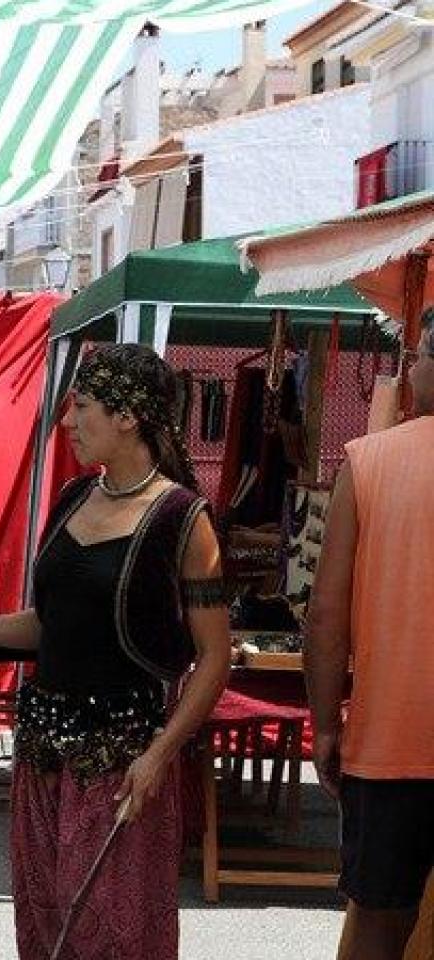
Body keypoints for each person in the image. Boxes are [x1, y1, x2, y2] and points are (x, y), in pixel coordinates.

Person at [0, 344, 231, 960]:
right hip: (43, 757)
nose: (67, 422)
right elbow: (51, 625)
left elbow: (214, 658)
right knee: (45, 928)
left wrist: (160, 755)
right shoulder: (71, 499)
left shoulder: (181, 519)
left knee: (107, 935)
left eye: (80, 406)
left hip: (122, 766)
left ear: (128, 416)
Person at [305, 324, 434, 960]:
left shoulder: (369, 460)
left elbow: (326, 614)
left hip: (390, 744)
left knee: (380, 924)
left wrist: (326, 726)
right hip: (390, 745)